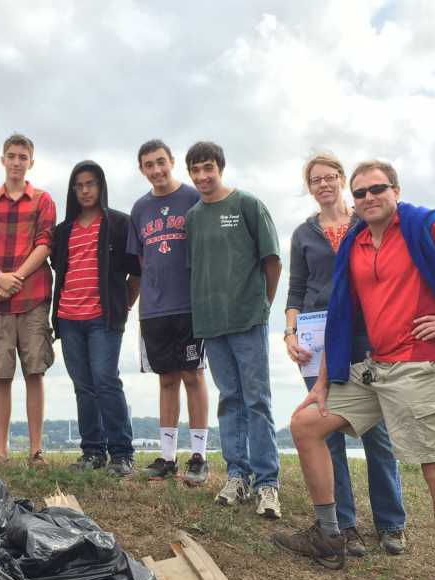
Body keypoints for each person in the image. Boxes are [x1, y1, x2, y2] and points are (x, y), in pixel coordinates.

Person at [275, 159, 435, 580]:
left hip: (423, 366)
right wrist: (323, 381)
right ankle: (329, 536)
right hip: (374, 367)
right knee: (306, 425)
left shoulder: (427, 226)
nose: (367, 199)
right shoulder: (357, 242)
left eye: (376, 190)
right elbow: (341, 313)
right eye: (360, 194)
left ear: (396, 190)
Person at [284, 153, 407, 557]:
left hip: (365, 332)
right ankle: (344, 526)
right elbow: (296, 288)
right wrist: (289, 332)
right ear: (309, 187)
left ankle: (391, 524)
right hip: (316, 336)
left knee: (377, 432)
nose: (323, 184)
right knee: (325, 432)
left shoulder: (365, 220)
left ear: (341, 180)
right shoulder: (303, 234)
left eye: (330, 177)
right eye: (315, 179)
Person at [183, 141, 283, 517]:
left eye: (208, 168)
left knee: (257, 400)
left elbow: (272, 262)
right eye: (195, 170)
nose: (202, 176)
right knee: (230, 399)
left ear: (220, 168)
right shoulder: (193, 217)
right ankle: (236, 475)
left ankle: (267, 484)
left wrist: (262, 306)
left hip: (248, 319)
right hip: (212, 322)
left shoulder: (248, 205)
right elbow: (195, 269)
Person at [0, 133, 56, 466]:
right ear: (2, 160)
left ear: (31, 161)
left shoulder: (43, 200)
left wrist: (14, 278)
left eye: (23, 157)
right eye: (12, 156)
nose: (17, 162)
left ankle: (36, 450)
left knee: (35, 371)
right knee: (0, 375)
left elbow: (46, 242)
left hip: (32, 296)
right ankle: (0, 451)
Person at [127, 139, 211, 485]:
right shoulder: (140, 209)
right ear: (142, 169)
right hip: (154, 309)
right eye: (149, 164)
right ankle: (166, 457)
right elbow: (141, 261)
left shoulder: (193, 198)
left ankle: (199, 456)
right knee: (166, 379)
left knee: (193, 375)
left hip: (189, 305)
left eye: (161, 162)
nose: (157, 170)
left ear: (172, 161)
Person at [52, 161, 140, 477]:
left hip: (103, 318)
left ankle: (122, 453)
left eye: (91, 184)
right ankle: (92, 451)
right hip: (68, 317)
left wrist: (123, 306)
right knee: (83, 386)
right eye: (79, 185)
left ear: (101, 186)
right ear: (73, 190)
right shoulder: (63, 231)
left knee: (106, 381)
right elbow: (59, 271)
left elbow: (137, 271)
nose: (85, 190)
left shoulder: (119, 223)